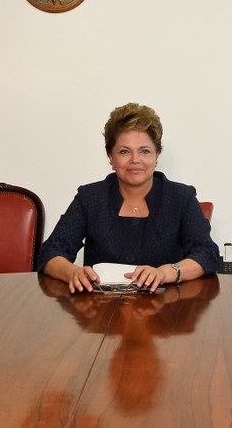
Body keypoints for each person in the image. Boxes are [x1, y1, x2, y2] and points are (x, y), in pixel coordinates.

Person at [38, 102, 219, 293]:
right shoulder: (90, 198)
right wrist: (72, 272)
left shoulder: (181, 197)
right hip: (100, 311)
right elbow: (51, 251)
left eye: (145, 151)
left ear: (157, 155)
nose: (135, 160)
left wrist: (167, 272)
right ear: (110, 156)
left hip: (167, 312)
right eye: (124, 151)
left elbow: (207, 253)